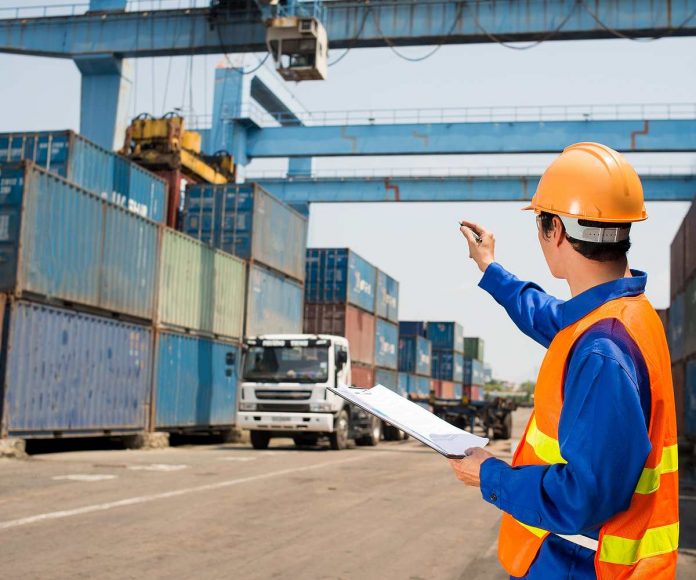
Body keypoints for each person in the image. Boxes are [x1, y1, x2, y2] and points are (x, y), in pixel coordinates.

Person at [450, 142, 679, 579]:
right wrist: (490, 268)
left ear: (554, 229)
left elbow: (584, 498)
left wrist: (489, 475)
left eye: (540, 225)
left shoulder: (602, 350)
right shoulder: (625, 312)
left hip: (586, 566)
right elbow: (549, 316)